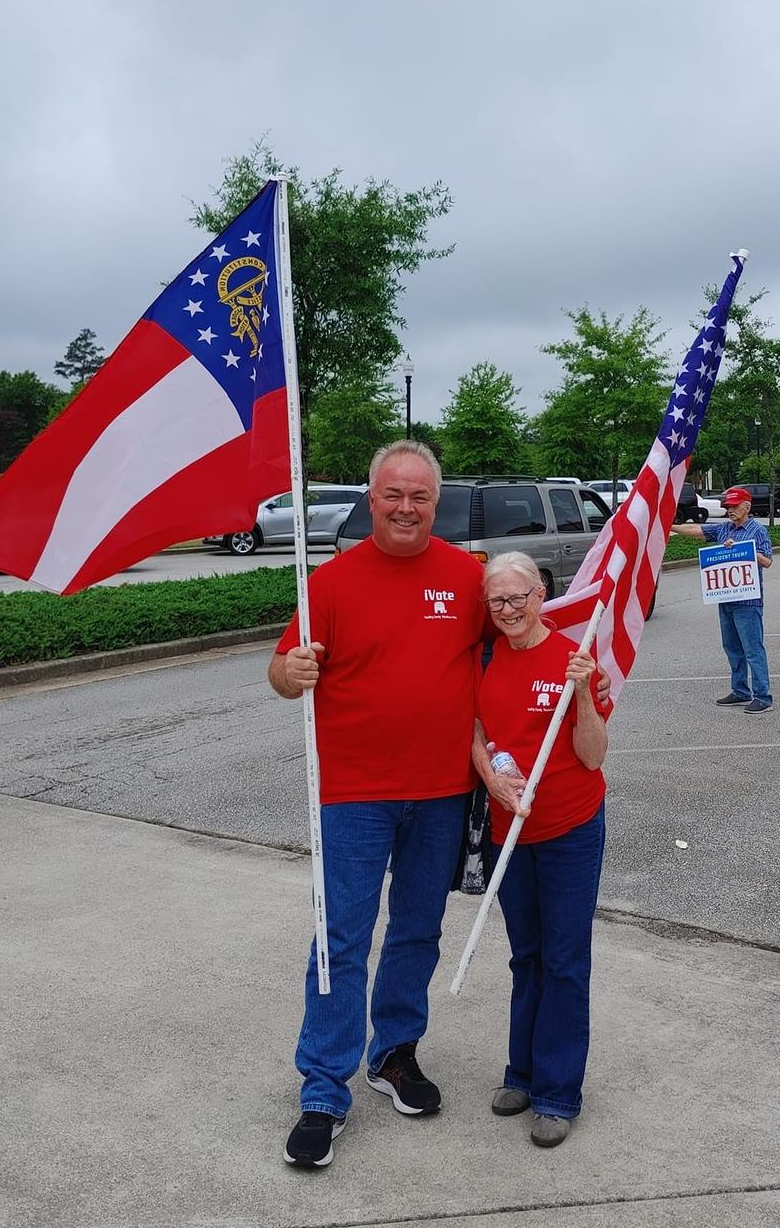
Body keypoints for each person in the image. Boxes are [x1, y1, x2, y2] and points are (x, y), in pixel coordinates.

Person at [270, 440, 486, 1169]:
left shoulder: (466, 577)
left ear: (437, 500)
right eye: (392, 494)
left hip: (441, 793)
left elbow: (510, 650)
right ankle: (324, 1088)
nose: (405, 507)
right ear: (371, 498)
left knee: (417, 932)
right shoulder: (328, 582)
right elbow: (280, 670)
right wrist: (288, 670)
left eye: (419, 495)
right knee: (340, 941)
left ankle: (394, 1054)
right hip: (354, 793)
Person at [471, 552, 610, 1149]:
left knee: (562, 960)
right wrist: (491, 776)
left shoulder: (573, 658)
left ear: (541, 594)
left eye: (518, 597)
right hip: (509, 832)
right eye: (496, 600)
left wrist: (581, 695)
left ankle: (557, 1093)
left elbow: (594, 755)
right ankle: (521, 1074)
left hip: (570, 829)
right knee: (525, 956)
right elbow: (473, 731)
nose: (508, 610)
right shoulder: (483, 655)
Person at [672, 485, 774, 712]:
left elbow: (767, 561)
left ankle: (763, 696)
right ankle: (740, 690)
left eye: (735, 506)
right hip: (726, 598)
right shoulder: (723, 529)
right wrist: (670, 527)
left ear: (747, 507)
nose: (730, 510)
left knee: (753, 649)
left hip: (748, 601)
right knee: (732, 647)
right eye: (728, 506)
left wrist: (744, 550)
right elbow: (698, 531)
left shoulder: (757, 531)